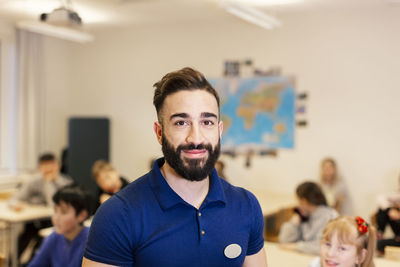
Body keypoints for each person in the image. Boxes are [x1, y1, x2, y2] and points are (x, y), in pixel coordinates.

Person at [83, 67, 267, 267]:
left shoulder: (246, 205)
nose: (196, 138)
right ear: (159, 132)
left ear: (219, 131)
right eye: (181, 123)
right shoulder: (117, 215)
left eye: (207, 122)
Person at [8, 152, 73, 258]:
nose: (48, 170)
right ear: (40, 167)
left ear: (57, 166)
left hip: (56, 223)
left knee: (42, 247)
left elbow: (52, 204)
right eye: (44, 166)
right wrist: (16, 204)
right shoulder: (34, 181)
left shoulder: (65, 183)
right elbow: (15, 198)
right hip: (34, 223)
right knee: (21, 241)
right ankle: (14, 262)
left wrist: (48, 183)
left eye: (51, 166)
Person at [28, 185, 93, 267]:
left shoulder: (92, 243)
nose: (56, 217)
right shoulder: (54, 237)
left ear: (81, 215)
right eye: (55, 210)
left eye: (63, 212)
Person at [279, 181, 338, 255]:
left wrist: (296, 246)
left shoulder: (330, 217)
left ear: (304, 201)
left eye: (298, 200)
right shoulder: (303, 214)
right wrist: (293, 224)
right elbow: (284, 241)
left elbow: (322, 247)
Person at [309, 216, 376, 267]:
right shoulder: (315, 264)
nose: (330, 253)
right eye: (327, 244)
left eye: (342, 248)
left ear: (360, 256)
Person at [375, 173, 400, 255]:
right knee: (383, 209)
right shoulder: (397, 196)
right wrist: (390, 210)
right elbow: (381, 197)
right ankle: (379, 232)